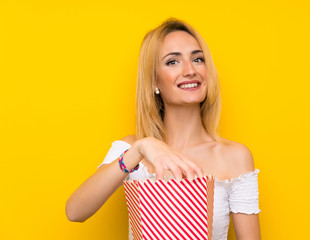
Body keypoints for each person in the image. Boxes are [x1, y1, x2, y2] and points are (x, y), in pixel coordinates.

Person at [66, 17, 261, 240]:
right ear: (154, 82)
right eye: (172, 62)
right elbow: (75, 212)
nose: (190, 70)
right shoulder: (131, 149)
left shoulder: (234, 158)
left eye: (198, 59)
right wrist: (139, 149)